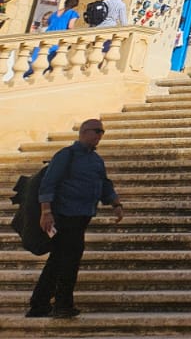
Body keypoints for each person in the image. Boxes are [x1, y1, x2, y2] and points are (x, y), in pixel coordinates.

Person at [27, 118, 124, 319]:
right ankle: (63, 305)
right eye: (96, 131)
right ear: (83, 132)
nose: (99, 136)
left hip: (82, 216)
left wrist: (115, 203)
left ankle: (39, 304)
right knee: (69, 260)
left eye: (102, 132)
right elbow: (48, 184)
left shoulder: (96, 160)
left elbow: (104, 183)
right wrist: (46, 212)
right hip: (64, 216)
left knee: (58, 259)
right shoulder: (66, 155)